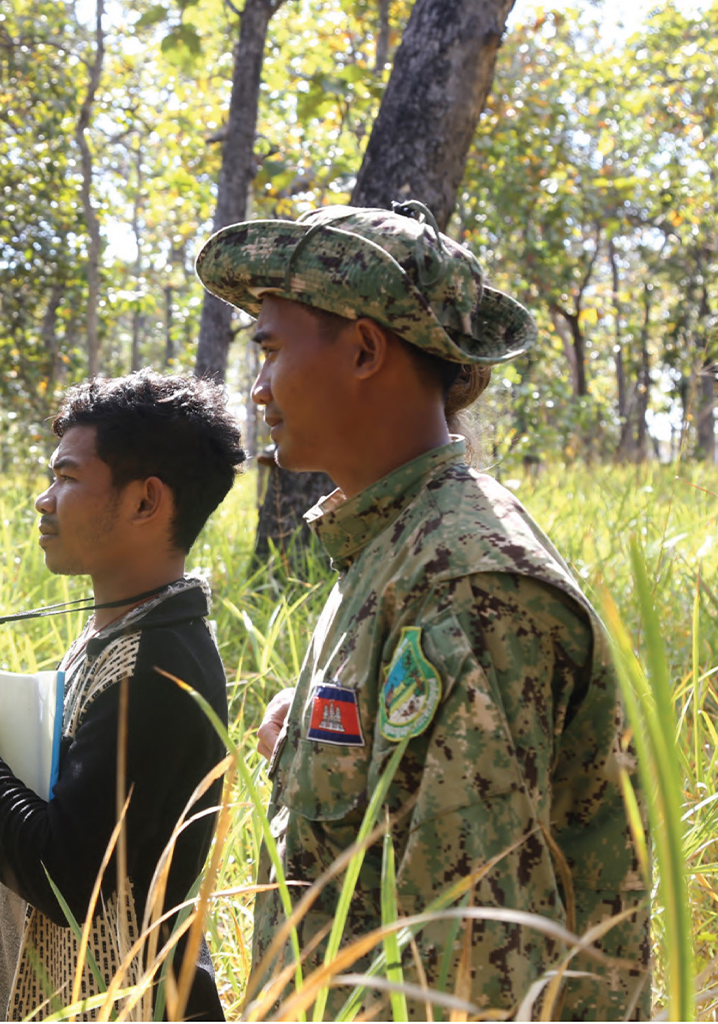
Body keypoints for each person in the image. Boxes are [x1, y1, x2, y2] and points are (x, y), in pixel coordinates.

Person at [193, 202, 651, 1019]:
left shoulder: (463, 583)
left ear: (365, 348)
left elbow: (475, 965)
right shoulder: (392, 543)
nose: (256, 388)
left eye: (269, 350)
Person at [0, 372, 246, 1021]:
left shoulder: (156, 668)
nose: (43, 500)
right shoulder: (118, 635)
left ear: (145, 502)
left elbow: (65, 876)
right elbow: (62, 789)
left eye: (68, 478)